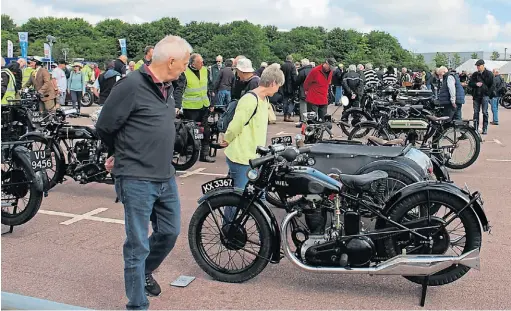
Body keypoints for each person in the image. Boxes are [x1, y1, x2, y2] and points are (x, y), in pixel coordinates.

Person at [95, 35, 191, 311]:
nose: (185, 68)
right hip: (136, 177)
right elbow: (105, 126)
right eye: (184, 63)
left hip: (165, 175)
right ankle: (137, 304)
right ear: (171, 61)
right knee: (137, 244)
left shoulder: (169, 88)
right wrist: (119, 152)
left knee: (170, 232)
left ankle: (145, 272)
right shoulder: (131, 86)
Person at [219, 63, 285, 221]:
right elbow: (236, 125)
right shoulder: (250, 99)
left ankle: (264, 232)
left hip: (253, 157)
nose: (278, 90)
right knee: (237, 197)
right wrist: (227, 139)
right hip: (242, 156)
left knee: (258, 197)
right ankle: (228, 228)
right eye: (278, 86)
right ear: (273, 83)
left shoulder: (263, 100)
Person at [173, 53, 215, 163]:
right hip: (190, 108)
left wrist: (212, 103)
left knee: (206, 131)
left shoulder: (205, 70)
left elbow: (209, 88)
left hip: (204, 106)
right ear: (193, 64)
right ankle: (189, 155)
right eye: (200, 62)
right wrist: (177, 106)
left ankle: (204, 155)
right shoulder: (184, 73)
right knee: (190, 133)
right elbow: (179, 90)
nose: (203, 63)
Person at [468, 59, 493, 134]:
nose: (478, 67)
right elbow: (470, 84)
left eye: (479, 66)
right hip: (476, 96)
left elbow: (492, 85)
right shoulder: (475, 74)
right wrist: (476, 84)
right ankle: (475, 128)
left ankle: (484, 128)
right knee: (476, 112)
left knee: (485, 112)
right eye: (477, 66)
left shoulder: (489, 73)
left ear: (483, 65)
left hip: (484, 95)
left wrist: (487, 93)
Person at [295, 58, 313, 127]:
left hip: (303, 91)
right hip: (312, 91)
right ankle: (311, 121)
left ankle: (304, 121)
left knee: (303, 107)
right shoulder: (313, 70)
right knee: (311, 107)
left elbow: (297, 81)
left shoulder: (302, 72)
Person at [281, 55, 297, 122]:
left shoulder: (283, 66)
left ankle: (285, 115)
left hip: (283, 86)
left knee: (284, 100)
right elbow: (294, 77)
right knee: (291, 101)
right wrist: (296, 85)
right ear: (291, 59)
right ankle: (288, 115)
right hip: (291, 86)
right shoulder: (292, 66)